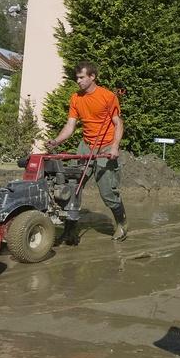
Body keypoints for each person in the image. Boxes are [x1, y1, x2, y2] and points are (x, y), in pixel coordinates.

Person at [45, 61, 127, 244]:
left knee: (108, 193)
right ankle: (70, 231)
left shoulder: (107, 96)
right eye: (77, 78)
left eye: (82, 77)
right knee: (73, 187)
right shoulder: (76, 98)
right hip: (86, 145)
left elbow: (118, 123)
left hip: (106, 146)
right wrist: (56, 140)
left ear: (92, 77)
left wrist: (115, 146)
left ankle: (121, 223)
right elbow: (70, 125)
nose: (78, 81)